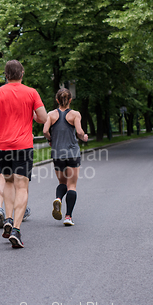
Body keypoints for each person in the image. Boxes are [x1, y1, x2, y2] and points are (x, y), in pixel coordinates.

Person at [0, 60, 47, 248]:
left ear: (6, 75)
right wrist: (31, 115)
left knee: (8, 181)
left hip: (2, 145)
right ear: (22, 73)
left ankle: (8, 218)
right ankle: (16, 229)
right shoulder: (31, 92)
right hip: (23, 145)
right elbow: (43, 118)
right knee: (22, 186)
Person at [43, 88, 88, 226]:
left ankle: (58, 198)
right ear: (70, 100)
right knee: (72, 185)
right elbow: (79, 132)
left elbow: (45, 131)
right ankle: (68, 217)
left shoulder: (51, 114)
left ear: (57, 100)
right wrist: (84, 137)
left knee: (62, 183)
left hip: (57, 153)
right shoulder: (75, 114)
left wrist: (50, 139)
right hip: (72, 154)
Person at [0, 107, 31, 229]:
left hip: (2, 145)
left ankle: (0, 208)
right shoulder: (21, 102)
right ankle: (20, 213)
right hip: (21, 144)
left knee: (2, 179)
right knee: (22, 183)